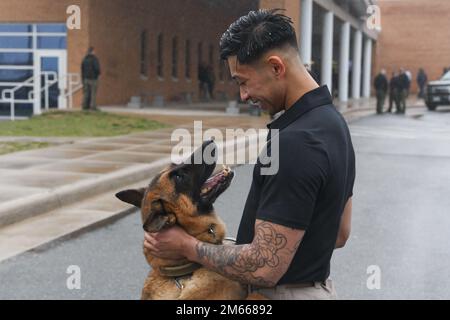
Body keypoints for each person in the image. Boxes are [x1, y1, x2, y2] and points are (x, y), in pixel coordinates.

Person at [143, 9, 355, 300]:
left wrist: (186, 246)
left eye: (243, 81)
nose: (243, 95)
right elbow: (339, 232)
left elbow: (263, 267)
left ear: (276, 67)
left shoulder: (295, 144)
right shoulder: (332, 124)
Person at [81, 46, 101, 110]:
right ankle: (93, 107)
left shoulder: (84, 59)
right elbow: (97, 69)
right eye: (94, 51)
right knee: (93, 93)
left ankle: (84, 106)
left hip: (86, 79)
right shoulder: (94, 59)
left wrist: (83, 79)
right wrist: (98, 74)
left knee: (86, 93)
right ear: (92, 51)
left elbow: (82, 70)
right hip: (93, 79)